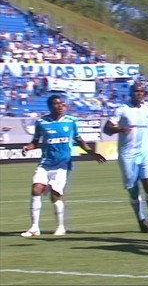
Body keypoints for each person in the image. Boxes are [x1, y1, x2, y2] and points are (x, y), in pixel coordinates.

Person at [20, 95, 106, 237]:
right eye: (57, 104)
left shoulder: (71, 122)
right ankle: (34, 227)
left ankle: (60, 227)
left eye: (63, 104)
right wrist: (28, 148)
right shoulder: (41, 122)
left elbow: (79, 140)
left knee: (55, 195)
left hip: (62, 165)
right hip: (45, 163)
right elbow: (35, 142)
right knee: (36, 189)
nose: (61, 106)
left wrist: (92, 153)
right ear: (50, 106)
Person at [103, 83, 148, 233]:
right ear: (131, 93)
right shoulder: (122, 110)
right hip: (127, 155)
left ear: (144, 93)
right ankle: (140, 218)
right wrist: (119, 129)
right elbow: (106, 129)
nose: (138, 93)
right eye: (136, 91)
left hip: (145, 153)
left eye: (141, 91)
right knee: (133, 191)